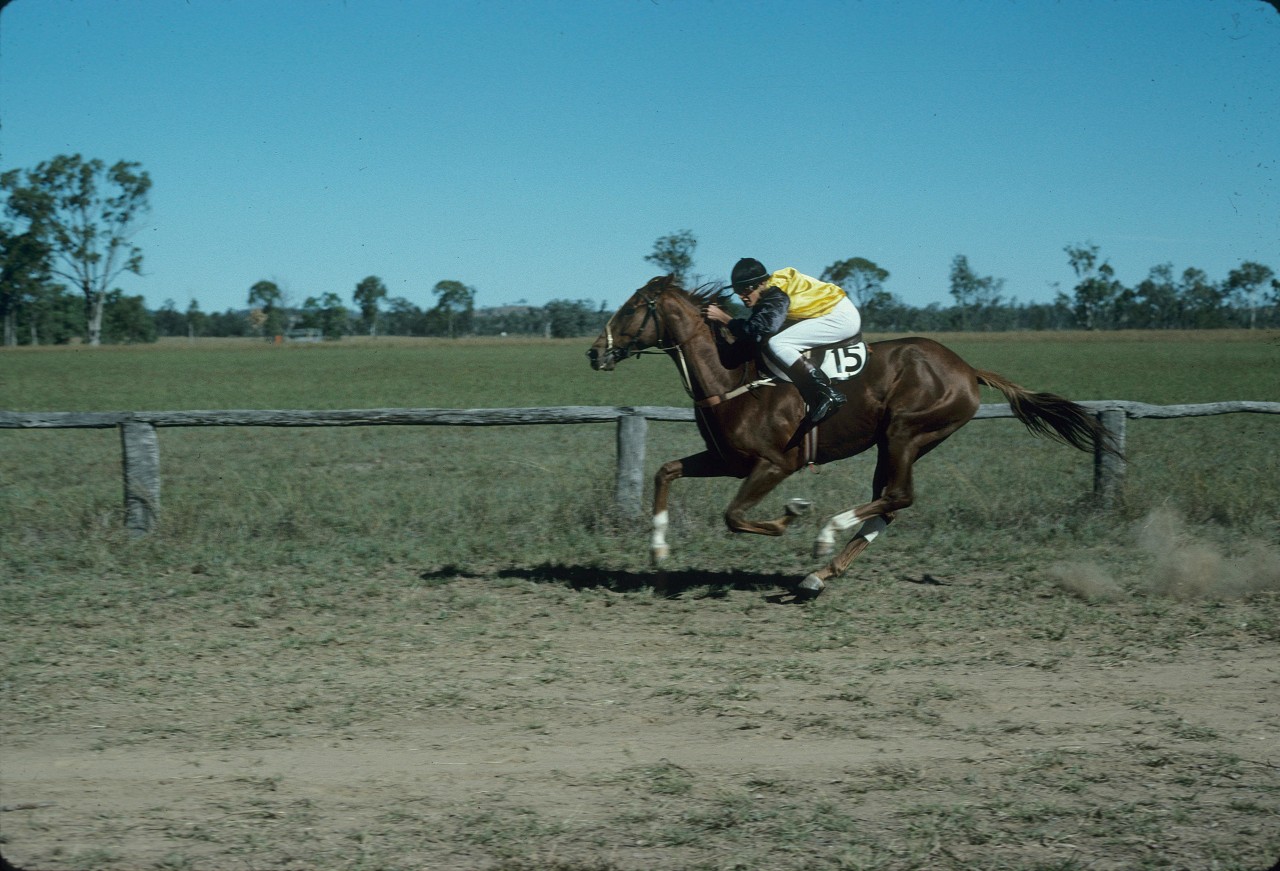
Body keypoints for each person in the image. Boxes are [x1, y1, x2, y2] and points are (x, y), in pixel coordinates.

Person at [702, 257, 861, 425]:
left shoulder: (776, 295)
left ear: (761, 283)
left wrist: (726, 319)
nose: (742, 296)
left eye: (745, 290)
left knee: (778, 344)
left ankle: (826, 393)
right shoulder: (769, 289)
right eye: (738, 291)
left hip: (840, 318)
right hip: (833, 311)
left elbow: (758, 332)